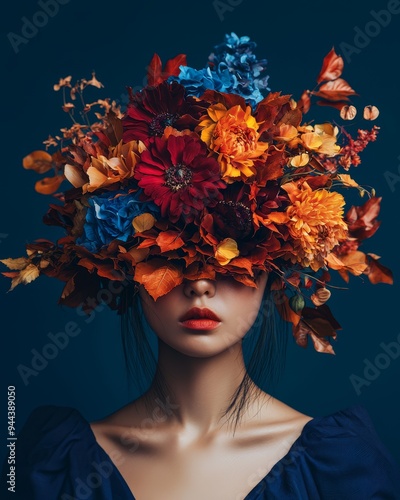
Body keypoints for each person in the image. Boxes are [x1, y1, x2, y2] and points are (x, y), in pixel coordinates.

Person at [1, 33, 400, 499]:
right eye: (169, 254)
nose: (201, 284)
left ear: (275, 267)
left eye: (236, 256)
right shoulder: (53, 466)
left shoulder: (343, 470)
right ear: (123, 264)